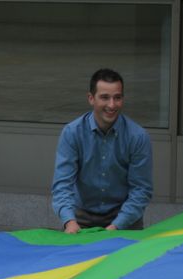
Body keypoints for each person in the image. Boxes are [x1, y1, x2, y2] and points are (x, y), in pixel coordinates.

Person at [51, 68, 153, 233]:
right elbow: (62, 185)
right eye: (105, 97)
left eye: (117, 98)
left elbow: (141, 190)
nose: (112, 105)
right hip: (80, 219)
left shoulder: (138, 137)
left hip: (124, 220)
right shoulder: (72, 133)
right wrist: (69, 221)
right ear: (91, 98)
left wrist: (116, 226)